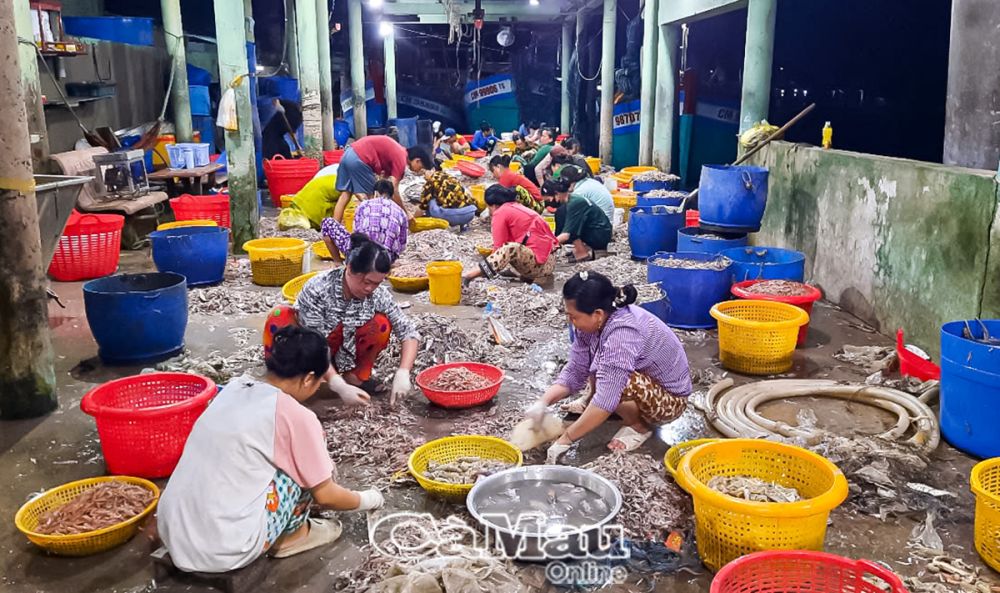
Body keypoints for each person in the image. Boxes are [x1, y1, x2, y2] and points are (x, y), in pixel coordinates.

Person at [158, 326, 385, 573]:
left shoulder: (234, 388)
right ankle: (292, 536)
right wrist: (370, 499)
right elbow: (326, 496)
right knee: (309, 466)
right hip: (224, 547)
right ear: (308, 378)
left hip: (173, 532)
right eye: (319, 380)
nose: (318, 385)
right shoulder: (295, 416)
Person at [526, 272, 691, 464]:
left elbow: (606, 399)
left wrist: (566, 439)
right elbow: (575, 371)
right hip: (645, 381)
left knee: (615, 380)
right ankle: (592, 403)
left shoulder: (623, 333)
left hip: (670, 400)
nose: (571, 322)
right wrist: (542, 403)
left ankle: (639, 427)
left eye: (574, 317)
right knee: (600, 367)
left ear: (597, 314)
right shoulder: (592, 324)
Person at [264, 234, 420, 404]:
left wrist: (403, 371)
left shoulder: (378, 294)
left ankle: (355, 377)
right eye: (367, 281)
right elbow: (314, 343)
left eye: (377, 283)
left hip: (341, 349)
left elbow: (408, 332)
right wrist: (338, 384)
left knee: (381, 324)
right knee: (279, 316)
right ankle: (302, 379)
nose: (370, 288)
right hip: (310, 348)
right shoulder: (319, 289)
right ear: (350, 268)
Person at [462, 185, 559, 283]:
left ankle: (469, 276)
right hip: (550, 261)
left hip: (541, 266)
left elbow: (499, 248)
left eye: (488, 207)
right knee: (512, 246)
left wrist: (487, 266)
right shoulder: (515, 206)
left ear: (494, 205)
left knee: (509, 248)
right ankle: (513, 272)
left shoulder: (500, 213)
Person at [332, 136, 430, 223]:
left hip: (348, 154)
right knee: (372, 198)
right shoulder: (401, 158)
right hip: (360, 158)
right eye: (421, 168)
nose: (419, 171)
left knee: (345, 194)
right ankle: (374, 227)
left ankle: (334, 228)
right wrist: (406, 212)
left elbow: (385, 182)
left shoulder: (398, 151)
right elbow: (393, 190)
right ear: (417, 160)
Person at [321, 179, 408, 262]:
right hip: (385, 261)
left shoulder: (364, 205)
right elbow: (402, 245)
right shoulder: (401, 212)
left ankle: (338, 262)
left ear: (376, 193)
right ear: (392, 195)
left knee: (327, 223)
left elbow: (356, 234)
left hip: (361, 257)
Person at [542, 177, 611, 262]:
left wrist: (546, 247)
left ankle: (582, 253)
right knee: (563, 216)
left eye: (549, 199)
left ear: (556, 195)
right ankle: (581, 250)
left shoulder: (575, 203)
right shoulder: (571, 200)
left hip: (599, 234)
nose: (550, 202)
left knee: (570, 228)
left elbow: (566, 235)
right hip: (595, 230)